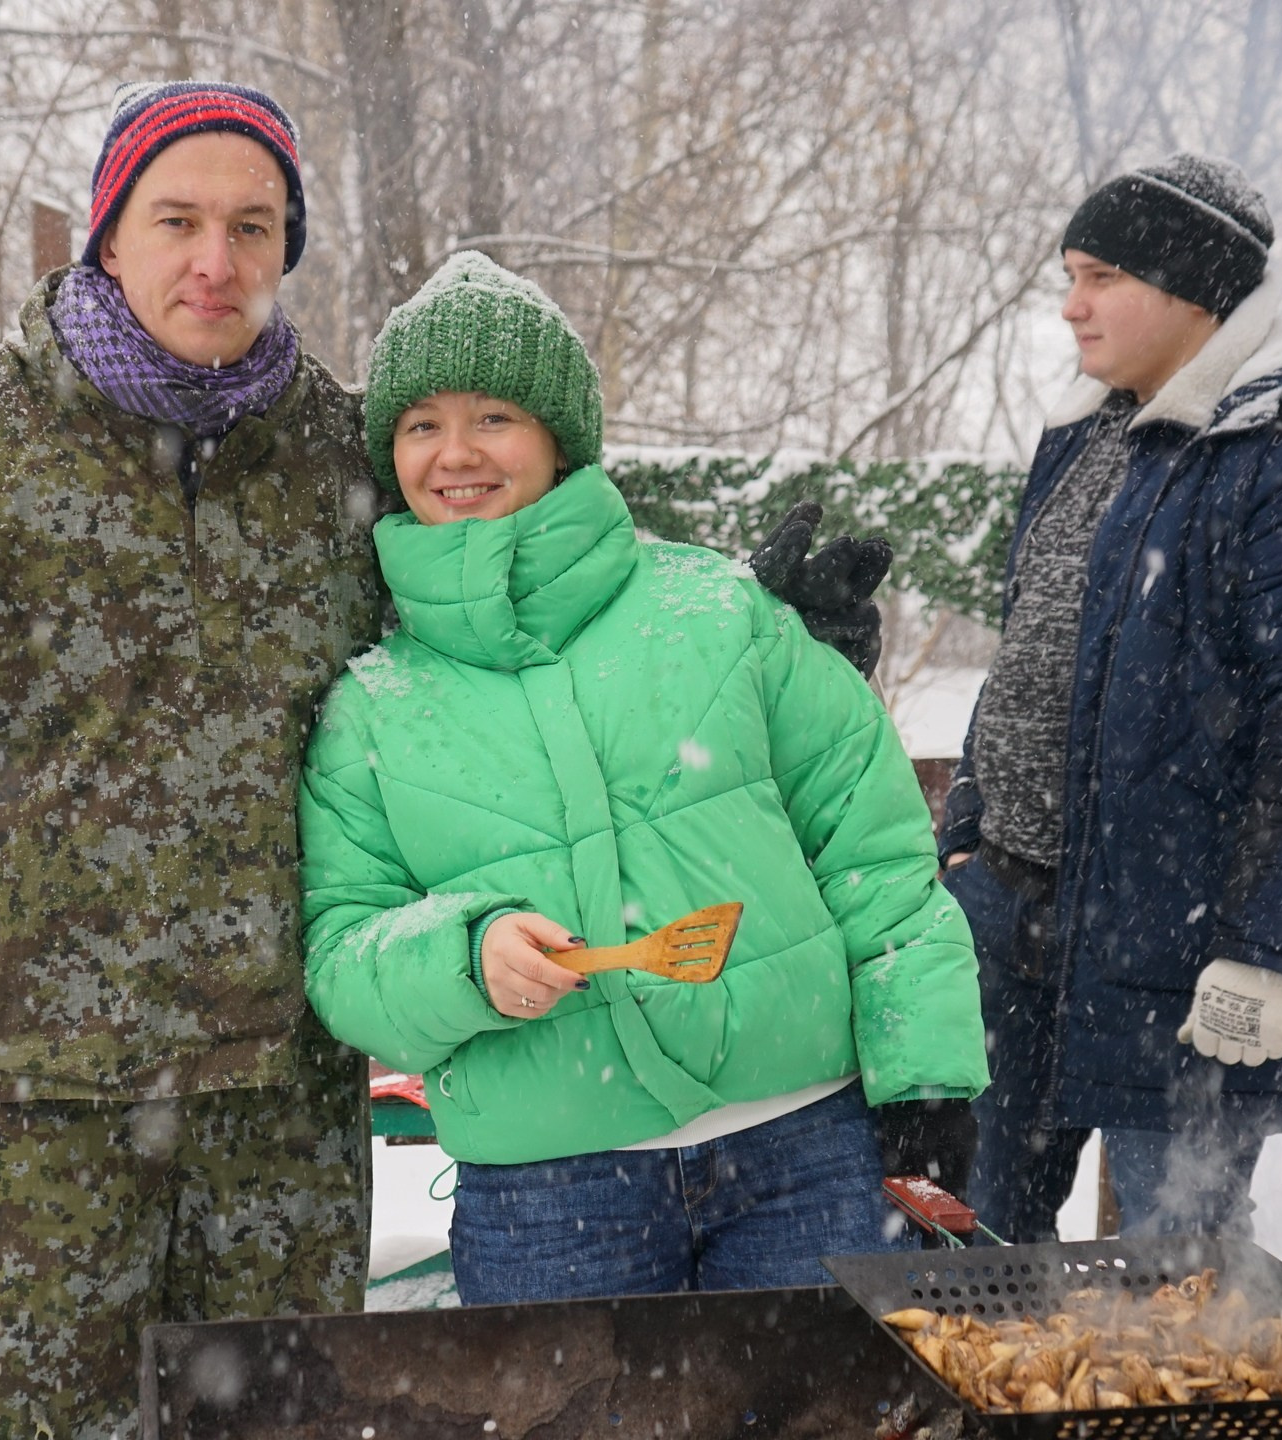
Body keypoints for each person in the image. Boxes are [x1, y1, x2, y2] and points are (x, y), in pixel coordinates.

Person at [0, 82, 893, 1436]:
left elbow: (528, 622)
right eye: (176, 219)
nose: (214, 260)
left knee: (285, 1423)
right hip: (46, 1086)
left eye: (253, 225)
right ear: (110, 235)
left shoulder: (342, 456)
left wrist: (769, 641)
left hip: (280, 1095)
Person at [299, 253, 989, 1303]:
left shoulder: (719, 612)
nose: (455, 454)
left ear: (559, 438)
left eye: (493, 417)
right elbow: (344, 950)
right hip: (549, 1198)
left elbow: (871, 845)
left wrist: (925, 1069)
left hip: (802, 1159)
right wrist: (462, 956)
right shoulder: (373, 705)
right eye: (420, 424)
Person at [937, 153, 1282, 1241]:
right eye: (1067, 275)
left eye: (1099, 275)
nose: (1070, 306)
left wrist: (1264, 950)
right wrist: (969, 827)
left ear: (1194, 286)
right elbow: (1036, 647)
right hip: (1007, 912)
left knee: (1178, 1284)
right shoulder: (1085, 430)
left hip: (1178, 942)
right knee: (973, 1254)